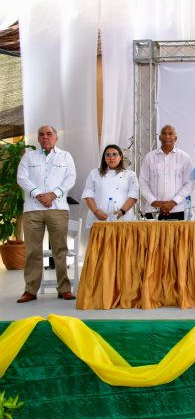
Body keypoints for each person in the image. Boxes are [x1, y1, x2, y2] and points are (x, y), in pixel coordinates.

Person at [16, 125, 77, 303]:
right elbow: (22, 178)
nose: (45, 137)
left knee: (60, 250)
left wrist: (53, 194)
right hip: (33, 210)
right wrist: (38, 194)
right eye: (41, 134)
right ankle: (30, 290)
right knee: (32, 251)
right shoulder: (28, 157)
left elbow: (70, 178)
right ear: (38, 138)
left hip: (58, 208)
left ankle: (64, 289)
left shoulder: (65, 156)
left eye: (49, 134)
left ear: (56, 138)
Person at [139, 125, 194, 220]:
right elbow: (143, 182)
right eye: (164, 133)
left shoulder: (184, 157)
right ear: (160, 137)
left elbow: (189, 183)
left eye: (170, 134)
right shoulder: (149, 157)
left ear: (175, 138)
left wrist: (173, 202)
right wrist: (154, 202)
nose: (167, 136)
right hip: (153, 210)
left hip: (178, 209)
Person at [82, 144, 139, 228]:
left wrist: (121, 213)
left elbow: (133, 197)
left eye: (114, 154)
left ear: (121, 157)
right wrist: (96, 212)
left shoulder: (130, 175)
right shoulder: (94, 173)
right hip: (98, 219)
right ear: (104, 158)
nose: (111, 158)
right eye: (107, 155)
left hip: (123, 219)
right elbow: (88, 195)